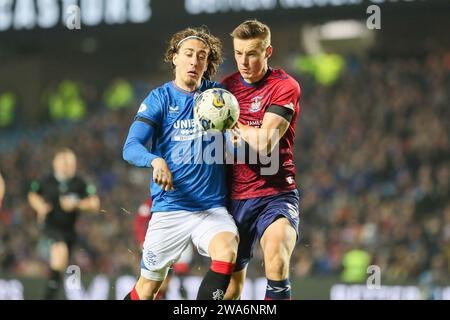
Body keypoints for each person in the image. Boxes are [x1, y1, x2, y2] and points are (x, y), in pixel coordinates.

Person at [122, 26, 239, 300]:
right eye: (188, 54)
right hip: (170, 209)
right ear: (174, 57)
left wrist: (236, 138)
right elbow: (131, 147)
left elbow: (236, 140)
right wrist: (155, 160)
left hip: (211, 208)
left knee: (227, 249)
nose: (195, 61)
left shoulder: (218, 97)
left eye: (202, 56)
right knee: (148, 289)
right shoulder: (159, 99)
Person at [222, 20, 301, 300]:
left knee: (276, 260)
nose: (244, 61)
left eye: (252, 53)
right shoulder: (225, 88)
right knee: (230, 288)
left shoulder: (284, 86)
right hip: (235, 197)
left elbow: (266, 141)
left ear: (268, 51)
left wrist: (231, 123)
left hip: (275, 193)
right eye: (238, 53)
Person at [28, 148, 100, 299]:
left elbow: (94, 203)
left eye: (71, 163)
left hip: (70, 231)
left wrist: (77, 204)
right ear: (56, 163)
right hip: (50, 227)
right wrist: (40, 206)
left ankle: (51, 292)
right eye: (65, 162)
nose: (69, 166)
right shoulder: (46, 181)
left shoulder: (79, 182)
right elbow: (32, 194)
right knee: (60, 251)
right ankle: (50, 293)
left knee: (62, 264)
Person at [133, 198, 193, 299]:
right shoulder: (152, 202)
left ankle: (177, 290)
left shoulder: (183, 199)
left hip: (177, 242)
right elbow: (139, 223)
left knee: (176, 274)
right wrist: (143, 241)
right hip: (157, 245)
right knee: (154, 279)